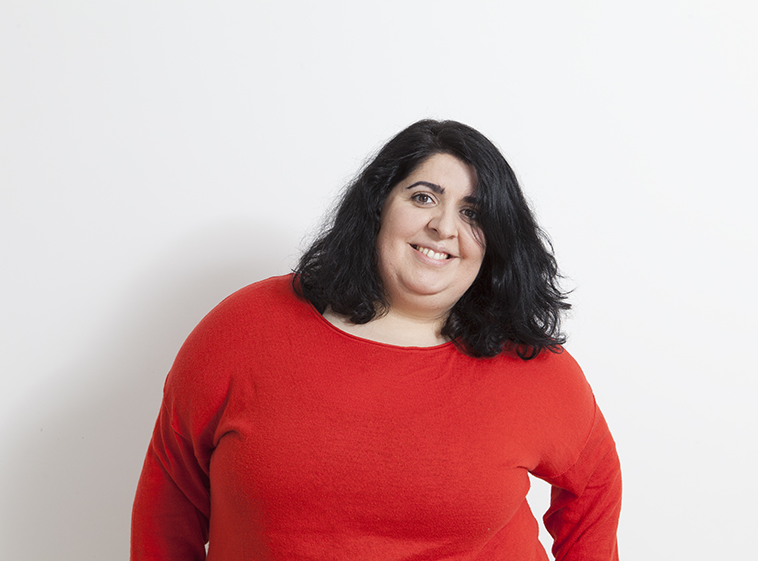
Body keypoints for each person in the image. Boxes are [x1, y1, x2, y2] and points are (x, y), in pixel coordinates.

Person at [131, 119, 621, 560]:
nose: (443, 226)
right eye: (423, 197)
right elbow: (170, 495)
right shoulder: (245, 329)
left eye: (473, 213)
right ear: (378, 206)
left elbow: (595, 481)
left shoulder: (531, 365)